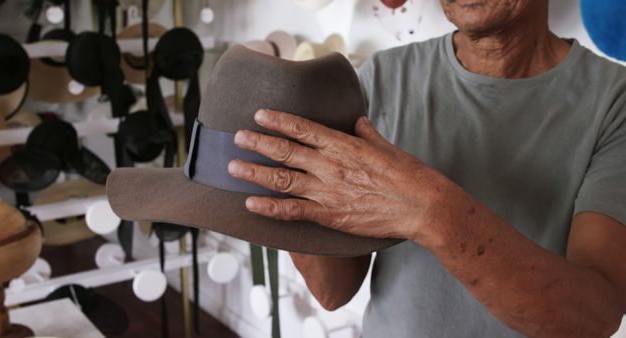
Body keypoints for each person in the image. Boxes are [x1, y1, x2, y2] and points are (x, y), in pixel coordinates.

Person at [227, 0, 626, 337]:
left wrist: (428, 209)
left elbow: (593, 317)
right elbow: (334, 290)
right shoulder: (383, 76)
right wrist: (290, 180)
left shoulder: (613, 101)